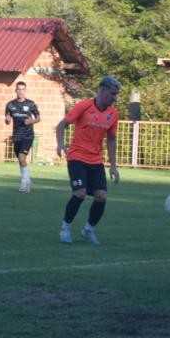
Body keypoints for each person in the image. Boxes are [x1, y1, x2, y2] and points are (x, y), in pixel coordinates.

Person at [55, 75, 121, 245]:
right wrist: (60, 144)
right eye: (112, 94)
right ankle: (65, 228)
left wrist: (113, 166)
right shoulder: (84, 106)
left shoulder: (113, 114)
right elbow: (62, 124)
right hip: (77, 156)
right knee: (80, 193)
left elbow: (111, 140)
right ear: (102, 90)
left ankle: (88, 231)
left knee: (101, 196)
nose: (115, 98)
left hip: (96, 160)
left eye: (116, 94)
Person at [5, 81, 41, 193]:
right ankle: (28, 180)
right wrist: (7, 120)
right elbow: (7, 118)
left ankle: (24, 182)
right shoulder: (10, 105)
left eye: (22, 89)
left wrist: (31, 121)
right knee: (21, 160)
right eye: (19, 89)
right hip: (16, 136)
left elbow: (38, 118)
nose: (20, 91)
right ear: (15, 90)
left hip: (28, 135)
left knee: (21, 157)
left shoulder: (31, 104)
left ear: (25, 90)